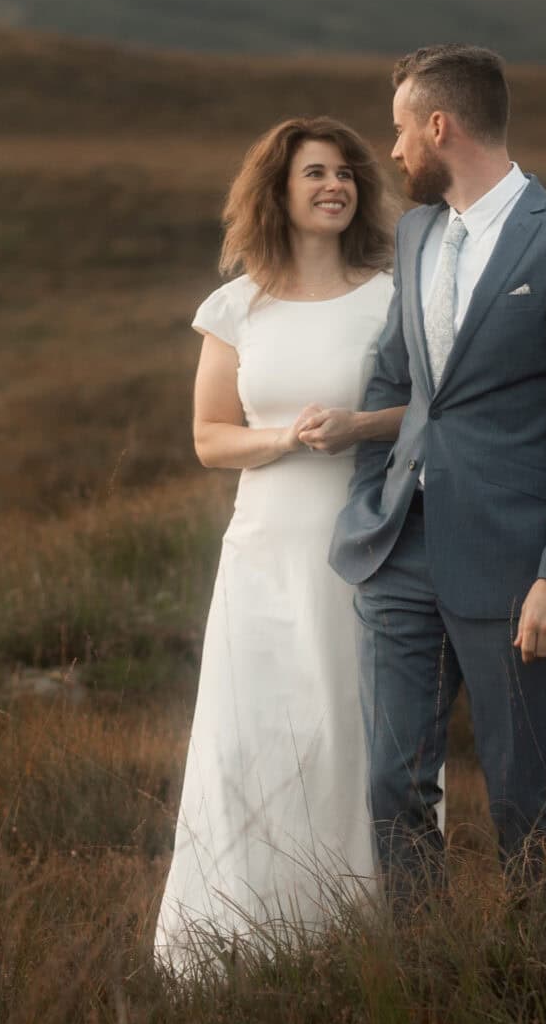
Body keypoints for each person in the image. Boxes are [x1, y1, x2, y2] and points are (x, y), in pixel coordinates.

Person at [322, 45, 546, 900]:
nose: (392, 151)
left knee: (526, 801)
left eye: (399, 130)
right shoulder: (417, 233)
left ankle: (544, 968)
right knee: (392, 784)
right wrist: (370, 495)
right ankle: (423, 966)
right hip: (400, 551)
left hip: (514, 565)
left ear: (439, 126)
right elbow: (394, 378)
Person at [153, 116, 418, 973]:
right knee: (253, 737)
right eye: (314, 173)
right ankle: (237, 944)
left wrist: (356, 427)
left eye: (345, 172)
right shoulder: (238, 307)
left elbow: (430, 413)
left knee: (349, 736)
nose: (335, 185)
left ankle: (358, 944)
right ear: (278, 189)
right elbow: (209, 437)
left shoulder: (391, 296)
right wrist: (285, 439)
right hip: (263, 554)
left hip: (366, 548)